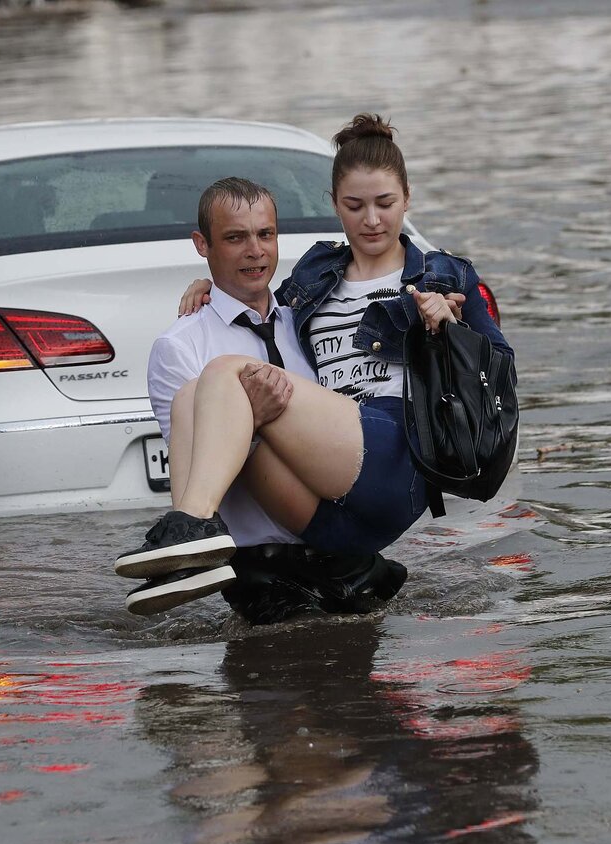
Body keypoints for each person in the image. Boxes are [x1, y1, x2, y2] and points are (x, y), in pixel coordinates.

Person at [115, 114, 513, 616]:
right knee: (193, 396)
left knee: (227, 373)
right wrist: (209, 287)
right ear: (334, 207)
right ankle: (188, 554)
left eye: (385, 204)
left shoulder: (443, 274)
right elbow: (256, 298)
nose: (371, 219)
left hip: (393, 452)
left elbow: (500, 373)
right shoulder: (315, 277)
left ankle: (188, 522)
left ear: (407, 200)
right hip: (329, 507)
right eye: (355, 206)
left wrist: (447, 328)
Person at [119, 176, 410, 620]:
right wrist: (249, 418)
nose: (255, 250)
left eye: (265, 234)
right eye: (235, 238)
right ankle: (189, 547)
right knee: (206, 390)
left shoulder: (308, 319)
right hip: (265, 574)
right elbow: (201, 467)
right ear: (203, 244)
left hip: (343, 552)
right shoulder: (180, 346)